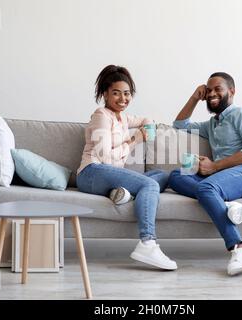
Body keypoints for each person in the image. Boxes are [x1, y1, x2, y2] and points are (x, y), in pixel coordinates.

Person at [168, 72, 242, 276]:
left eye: (218, 88)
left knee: (206, 187)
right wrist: (194, 97)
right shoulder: (211, 124)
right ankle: (225, 204)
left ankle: (240, 248)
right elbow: (180, 125)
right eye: (208, 90)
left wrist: (214, 166)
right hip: (225, 179)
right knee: (176, 176)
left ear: (232, 91)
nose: (211, 93)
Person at [76, 65, 177, 271]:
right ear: (105, 93)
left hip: (107, 175)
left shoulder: (122, 117)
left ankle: (123, 194)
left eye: (127, 93)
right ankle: (147, 243)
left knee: (163, 175)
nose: (123, 98)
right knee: (149, 185)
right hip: (92, 172)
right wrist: (135, 139)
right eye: (116, 93)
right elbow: (105, 157)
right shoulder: (102, 115)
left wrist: (148, 127)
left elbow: (147, 119)